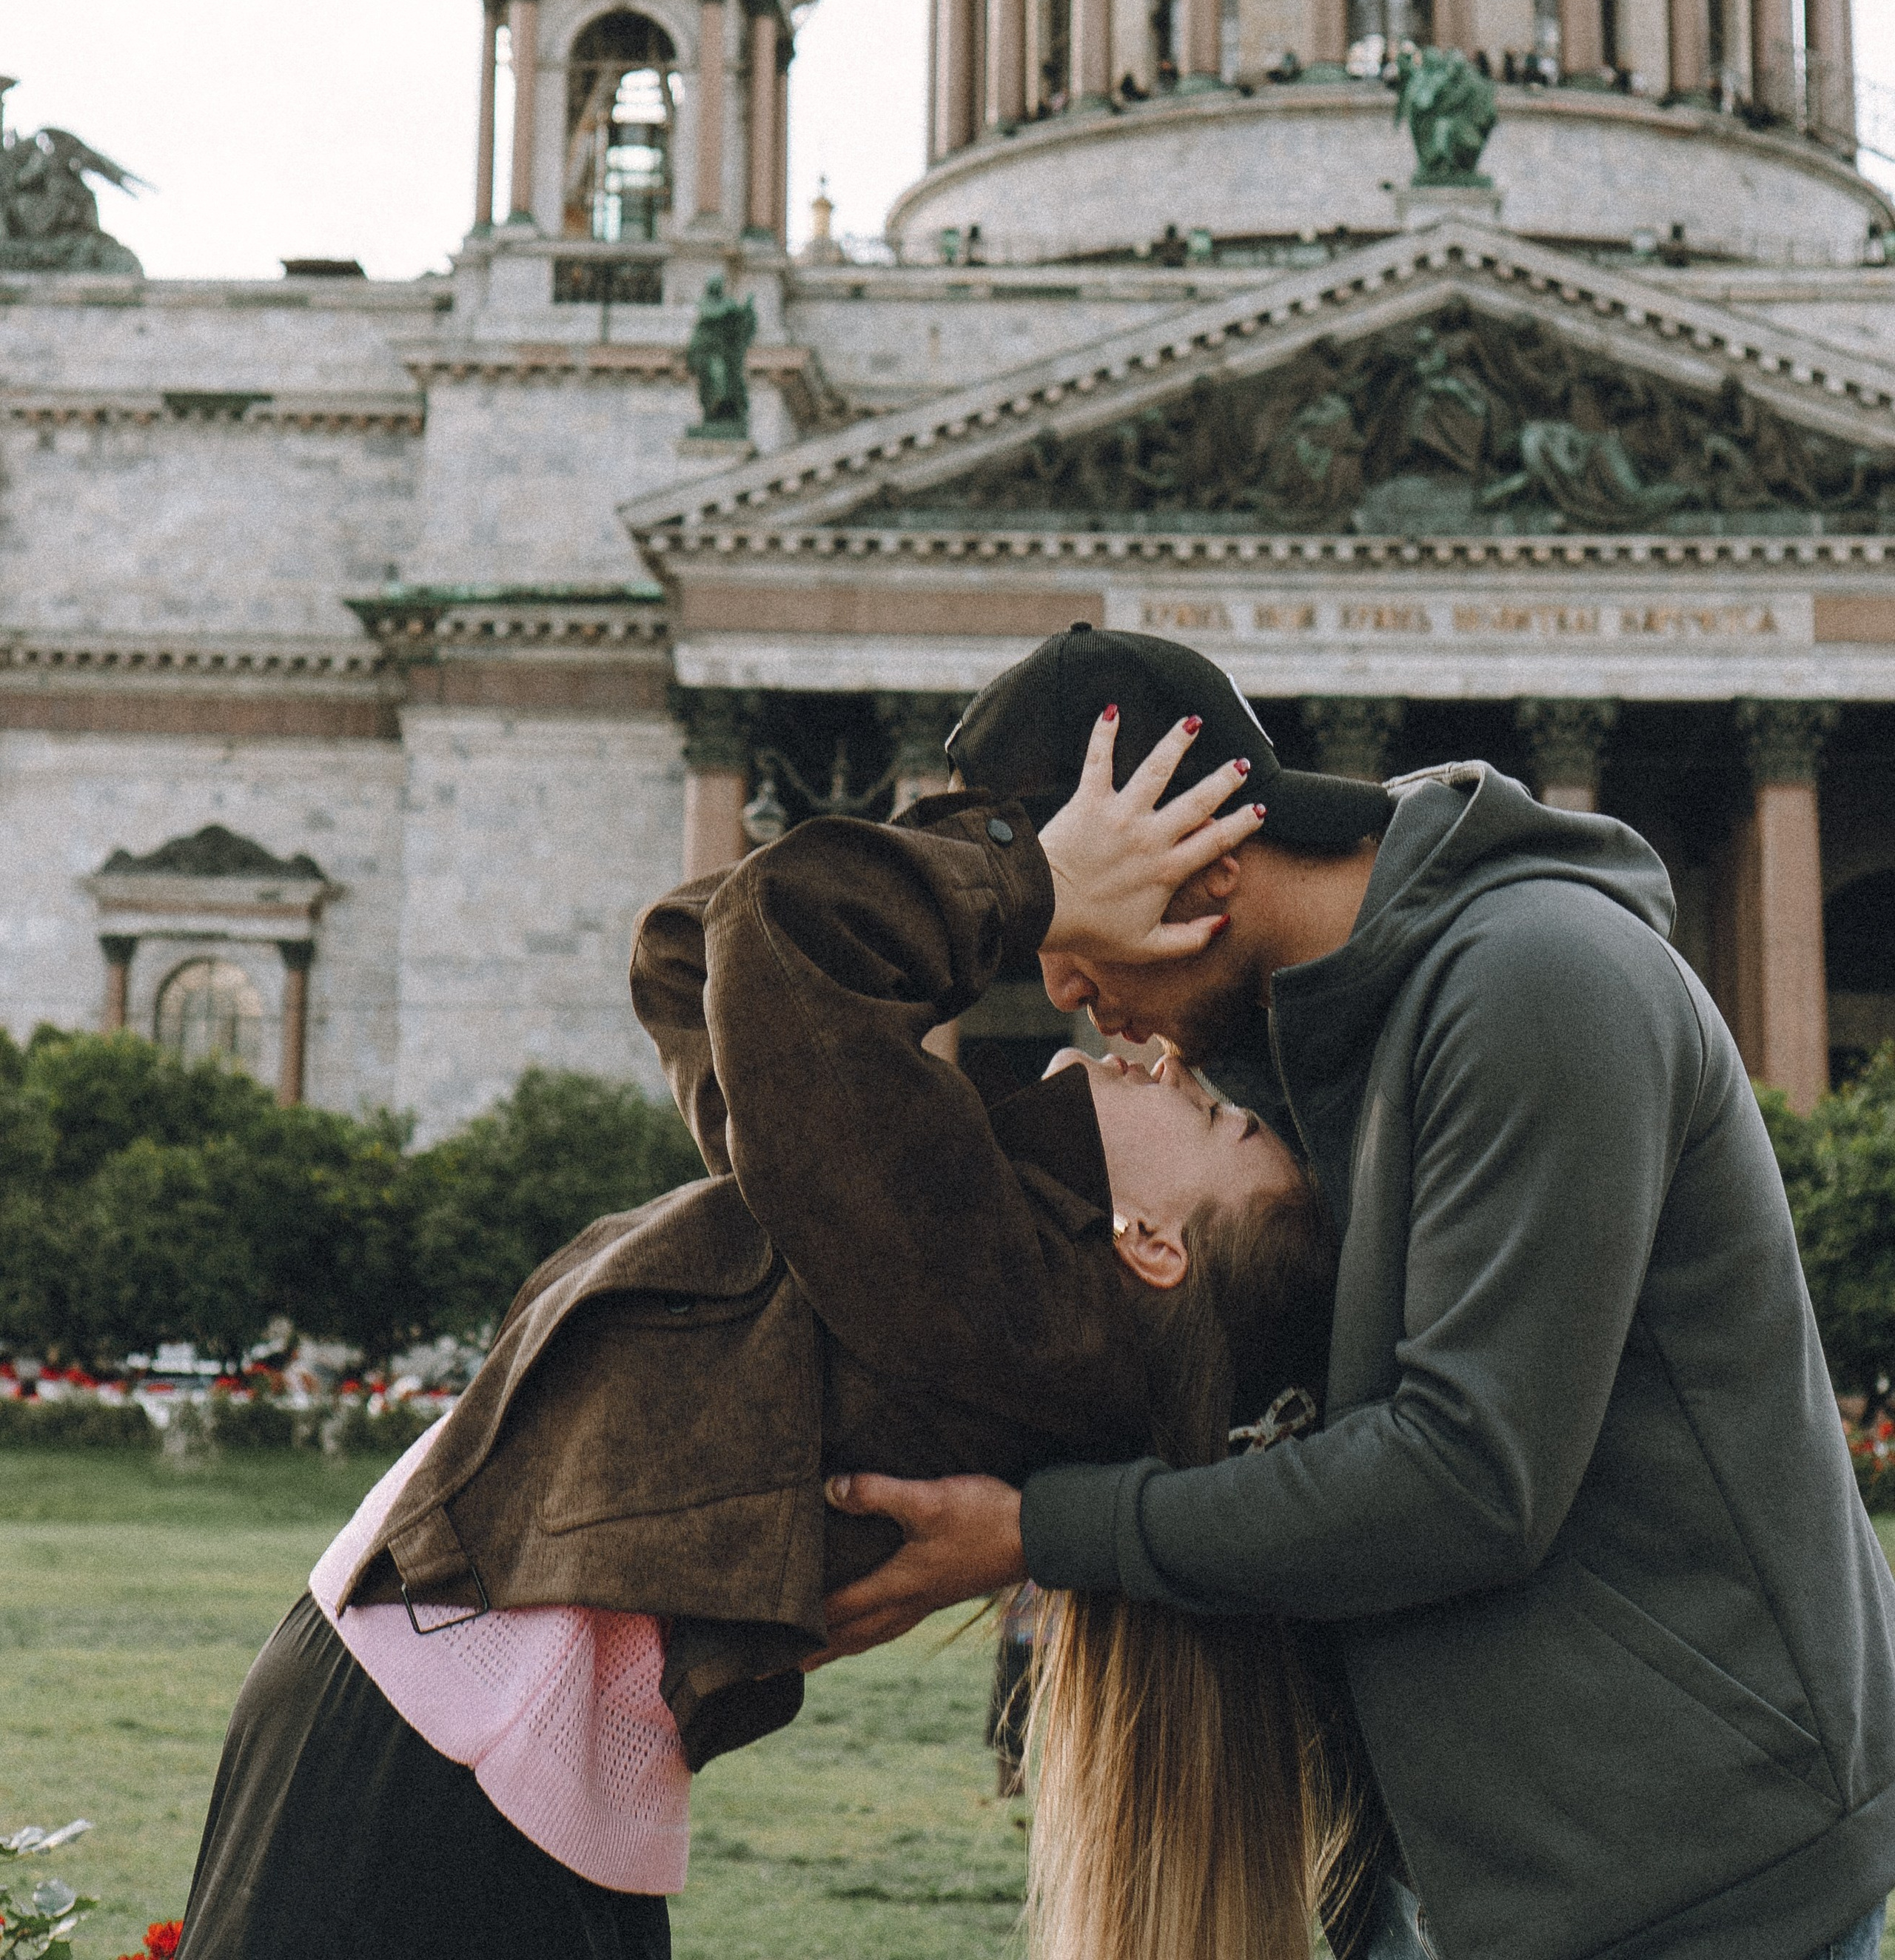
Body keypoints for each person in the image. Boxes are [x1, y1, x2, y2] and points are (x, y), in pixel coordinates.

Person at [173, 719, 1341, 1960]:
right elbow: (697, 954)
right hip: (464, 1735)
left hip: (435, 1745)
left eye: (1213, 1117)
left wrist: (1037, 880)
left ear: (1153, 1246)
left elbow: (778, 941)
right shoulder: (921, 1239)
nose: (1165, 1063)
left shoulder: (1004, 1300)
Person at [819, 624, 1895, 1960]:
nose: (1062, 996)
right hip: (1476, 1870)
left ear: (1204, 861)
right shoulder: (1304, 1056)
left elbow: (1469, 1480)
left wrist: (1045, 1533)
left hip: (1685, 1874)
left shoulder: (1535, 979)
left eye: (1069, 931)